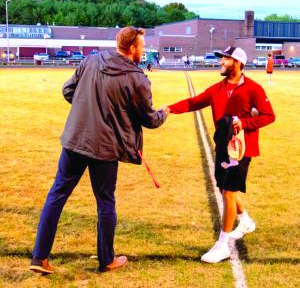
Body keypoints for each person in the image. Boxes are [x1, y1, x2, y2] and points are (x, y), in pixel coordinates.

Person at [29, 26, 168, 274]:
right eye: (142, 47)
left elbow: (68, 90)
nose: (144, 51)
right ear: (132, 48)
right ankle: (106, 260)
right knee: (105, 202)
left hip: (76, 140)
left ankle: (39, 258)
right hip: (104, 148)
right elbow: (149, 119)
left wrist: (89, 108)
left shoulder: (91, 60)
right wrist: (164, 113)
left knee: (57, 195)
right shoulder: (137, 78)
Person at [167, 46, 275, 263]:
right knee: (226, 188)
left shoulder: (253, 88)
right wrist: (168, 109)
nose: (221, 62)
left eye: (225, 59)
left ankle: (223, 244)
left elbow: (268, 116)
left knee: (228, 191)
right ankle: (244, 220)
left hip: (242, 149)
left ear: (237, 62)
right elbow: (193, 102)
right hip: (223, 147)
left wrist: (243, 123)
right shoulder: (217, 88)